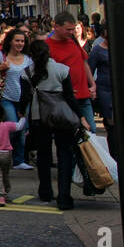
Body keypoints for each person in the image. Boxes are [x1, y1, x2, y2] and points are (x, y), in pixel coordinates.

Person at [26, 37, 88, 211]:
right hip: (62, 117)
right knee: (65, 155)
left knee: (44, 156)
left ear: (31, 55)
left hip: (39, 118)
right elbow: (70, 97)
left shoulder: (27, 72)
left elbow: (26, 98)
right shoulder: (62, 70)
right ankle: (64, 197)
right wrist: (81, 117)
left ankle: (45, 191)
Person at [0, 27, 35, 170]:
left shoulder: (28, 59)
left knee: (22, 129)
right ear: (10, 41)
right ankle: (3, 153)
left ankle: (18, 160)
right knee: (13, 126)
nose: (20, 43)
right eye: (17, 40)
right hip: (6, 98)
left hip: (23, 99)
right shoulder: (0, 56)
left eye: (22, 41)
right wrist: (1, 68)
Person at [46, 11, 97, 133]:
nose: (71, 32)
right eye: (68, 29)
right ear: (56, 27)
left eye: (72, 29)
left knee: (91, 132)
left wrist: (92, 84)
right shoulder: (47, 46)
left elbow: (84, 62)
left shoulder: (73, 41)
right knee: (69, 136)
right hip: (64, 100)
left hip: (84, 96)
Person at [87, 24, 112, 131]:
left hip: (120, 89)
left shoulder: (121, 48)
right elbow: (90, 70)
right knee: (110, 120)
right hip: (105, 90)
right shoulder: (97, 50)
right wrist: (91, 88)